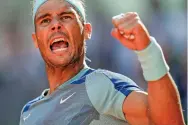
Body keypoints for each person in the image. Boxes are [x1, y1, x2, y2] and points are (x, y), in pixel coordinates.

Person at [19, 0, 185, 125]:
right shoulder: (28, 113)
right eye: (45, 20)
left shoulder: (97, 84)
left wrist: (149, 52)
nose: (56, 25)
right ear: (35, 40)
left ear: (87, 31)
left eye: (66, 17)